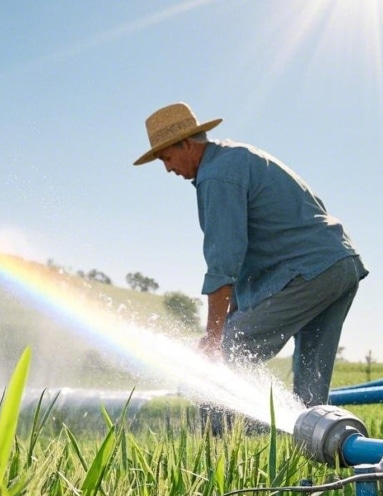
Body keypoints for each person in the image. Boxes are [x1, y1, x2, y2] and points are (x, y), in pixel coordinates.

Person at [134, 102, 367, 408]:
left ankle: (223, 443)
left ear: (187, 144)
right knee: (311, 384)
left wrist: (214, 338)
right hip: (339, 265)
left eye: (167, 157)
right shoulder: (238, 157)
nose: (167, 168)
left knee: (231, 350)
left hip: (310, 272)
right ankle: (318, 447)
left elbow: (224, 263)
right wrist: (227, 319)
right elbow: (247, 261)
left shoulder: (216, 176)